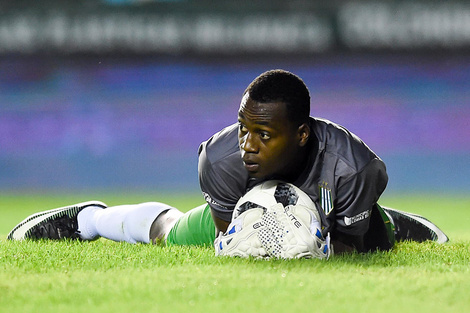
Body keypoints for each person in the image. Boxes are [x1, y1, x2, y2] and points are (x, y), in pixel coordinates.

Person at [7, 69, 448, 253]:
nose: (247, 145)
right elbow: (228, 242)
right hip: (252, 205)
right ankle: (90, 219)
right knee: (169, 235)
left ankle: (398, 221)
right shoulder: (220, 162)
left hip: (333, 213)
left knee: (376, 243)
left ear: (301, 134)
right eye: (243, 129)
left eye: (264, 135)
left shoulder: (354, 168)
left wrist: (311, 243)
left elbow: (346, 258)